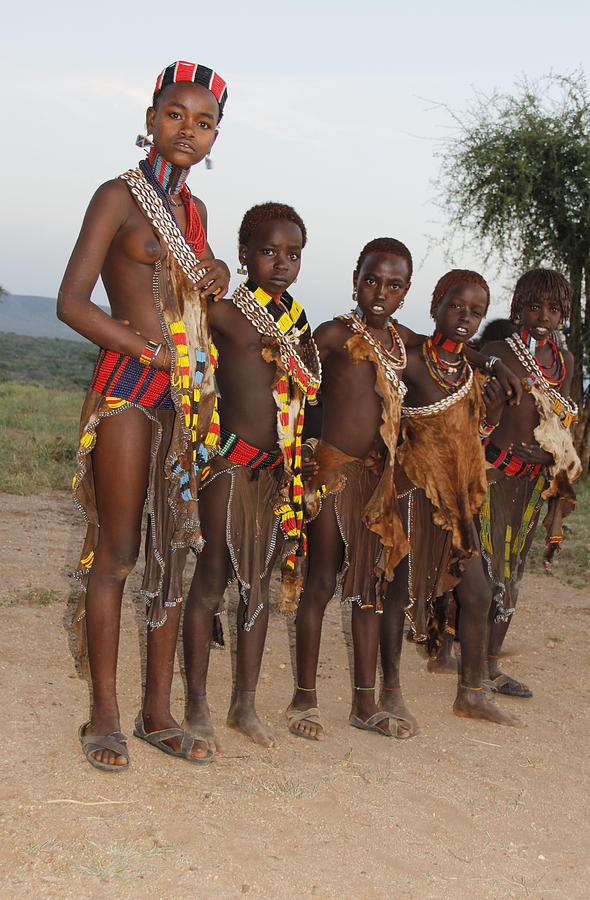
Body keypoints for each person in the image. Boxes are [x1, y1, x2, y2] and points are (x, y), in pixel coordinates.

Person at [57, 61, 230, 771]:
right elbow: (73, 302)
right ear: (151, 118)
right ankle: (103, 714)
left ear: (216, 135)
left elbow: (195, 303)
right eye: (175, 115)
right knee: (122, 548)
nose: (187, 130)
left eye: (204, 121)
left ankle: (157, 712)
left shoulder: (194, 215)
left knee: (170, 553)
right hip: (131, 384)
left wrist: (215, 277)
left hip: (185, 395)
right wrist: (145, 353)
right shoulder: (117, 196)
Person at [182, 202, 321, 751]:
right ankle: (195, 704)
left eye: (293, 255)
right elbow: (183, 347)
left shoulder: (299, 323)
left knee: (258, 584)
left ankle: (245, 704)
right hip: (229, 465)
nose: (281, 263)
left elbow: (307, 397)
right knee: (214, 576)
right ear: (244, 256)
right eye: (268, 252)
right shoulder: (223, 310)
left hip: (276, 474)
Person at [380, 270, 522, 728]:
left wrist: (494, 400)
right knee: (399, 594)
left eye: (476, 312)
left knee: (477, 595)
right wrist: (494, 362)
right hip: (412, 495)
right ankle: (390, 694)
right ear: (435, 305)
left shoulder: (471, 372)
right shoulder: (412, 355)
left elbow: (474, 436)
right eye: (456, 306)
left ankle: (472, 694)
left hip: (457, 504)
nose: (465, 318)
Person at [287, 238, 415, 741]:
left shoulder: (406, 344)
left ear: (406, 291)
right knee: (321, 582)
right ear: (355, 280)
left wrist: (493, 368)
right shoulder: (333, 335)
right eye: (372, 280)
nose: (380, 291)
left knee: (369, 592)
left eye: (394, 284)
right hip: (333, 475)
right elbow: (296, 388)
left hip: (378, 485)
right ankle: (304, 699)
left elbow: (452, 365)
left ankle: (366, 703)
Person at [478, 269, 581, 697]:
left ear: (564, 314)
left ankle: (490, 665)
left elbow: (561, 424)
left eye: (553, 309)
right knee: (485, 572)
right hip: (493, 477)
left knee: (513, 573)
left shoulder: (566, 362)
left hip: (535, 483)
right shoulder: (499, 350)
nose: (543, 316)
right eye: (535, 306)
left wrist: (549, 454)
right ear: (518, 304)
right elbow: (477, 415)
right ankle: (467, 664)